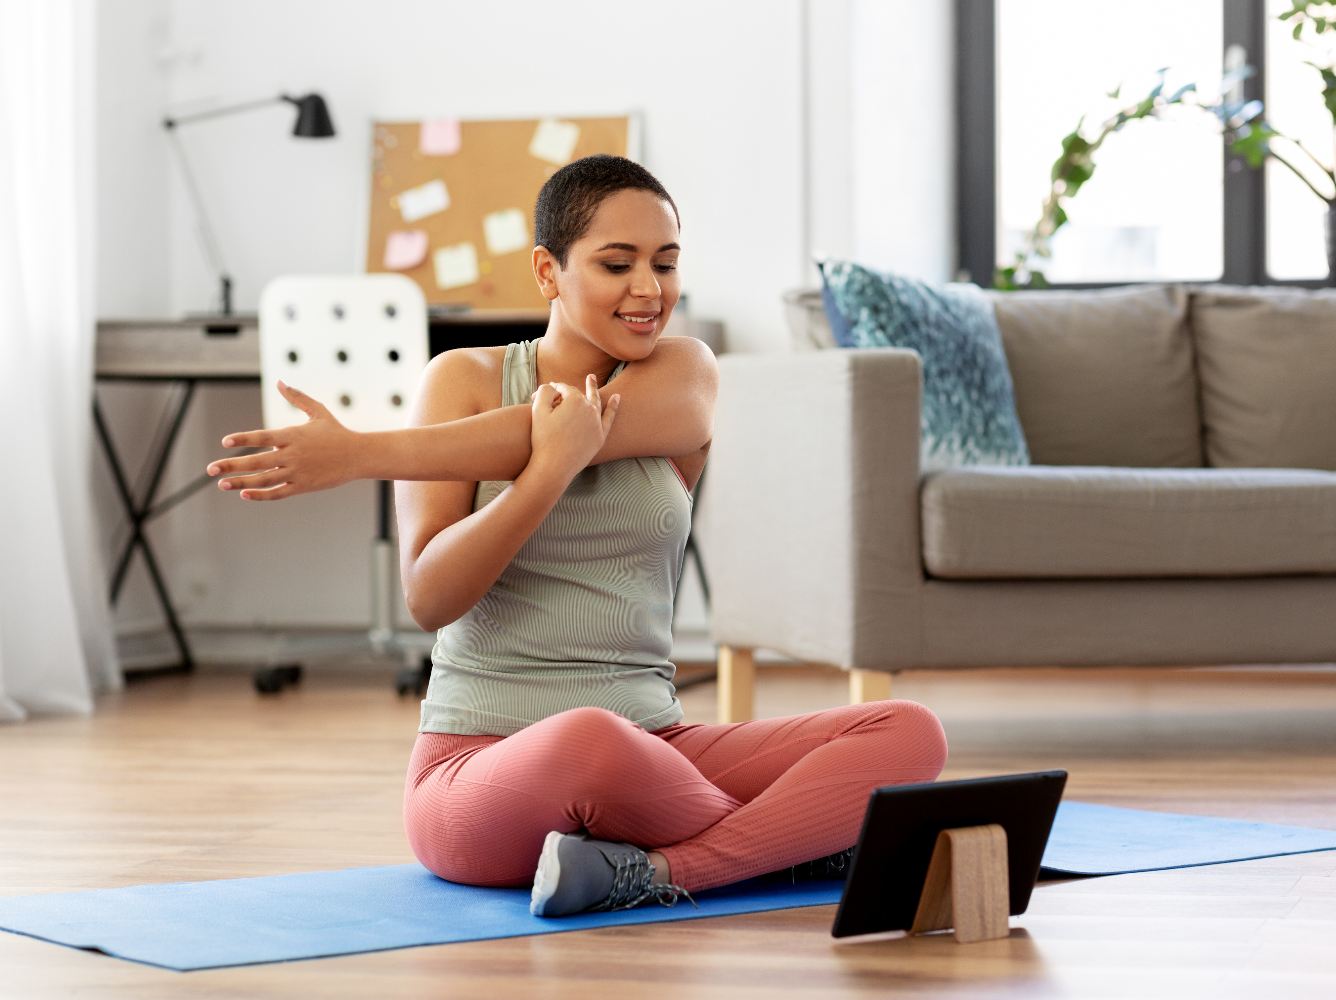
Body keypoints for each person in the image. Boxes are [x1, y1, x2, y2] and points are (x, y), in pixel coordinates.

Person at [205, 154, 948, 918]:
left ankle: (661, 871)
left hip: (659, 753)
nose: (649, 289)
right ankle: (804, 838)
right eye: (616, 263)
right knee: (591, 742)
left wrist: (365, 452)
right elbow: (430, 598)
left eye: (665, 262)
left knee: (908, 731)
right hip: (477, 771)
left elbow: (579, 424)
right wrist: (547, 472)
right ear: (547, 271)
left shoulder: (686, 373)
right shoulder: (460, 379)